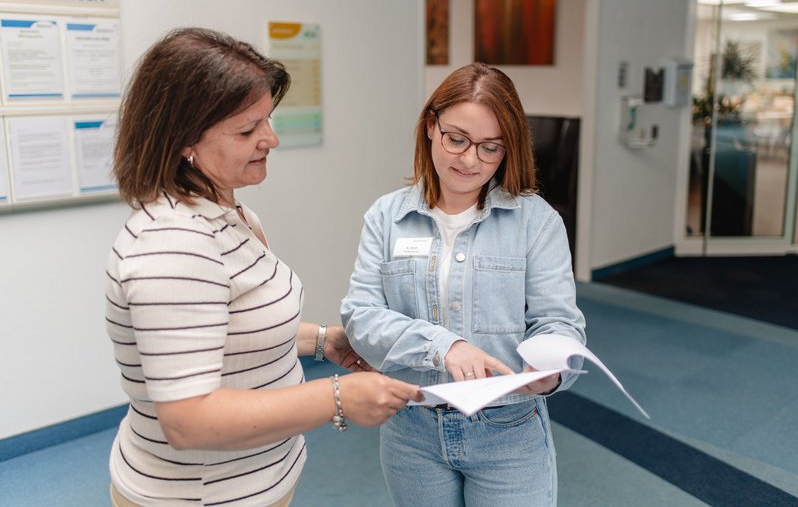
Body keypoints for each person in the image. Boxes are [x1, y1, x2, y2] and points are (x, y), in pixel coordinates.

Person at [105, 27, 421, 507]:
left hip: (255, 481)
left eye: (268, 120)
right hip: (203, 495)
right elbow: (187, 420)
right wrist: (338, 397)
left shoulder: (227, 212)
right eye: (247, 130)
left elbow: (221, 330)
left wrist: (319, 340)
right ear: (183, 139)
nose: (270, 139)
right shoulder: (173, 245)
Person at [340, 62, 587, 507]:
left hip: (508, 430)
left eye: (491, 148)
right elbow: (361, 317)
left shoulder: (537, 222)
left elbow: (559, 323)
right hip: (411, 429)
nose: (470, 160)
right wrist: (443, 346)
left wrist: (550, 371)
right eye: (457, 139)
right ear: (431, 126)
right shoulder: (386, 217)